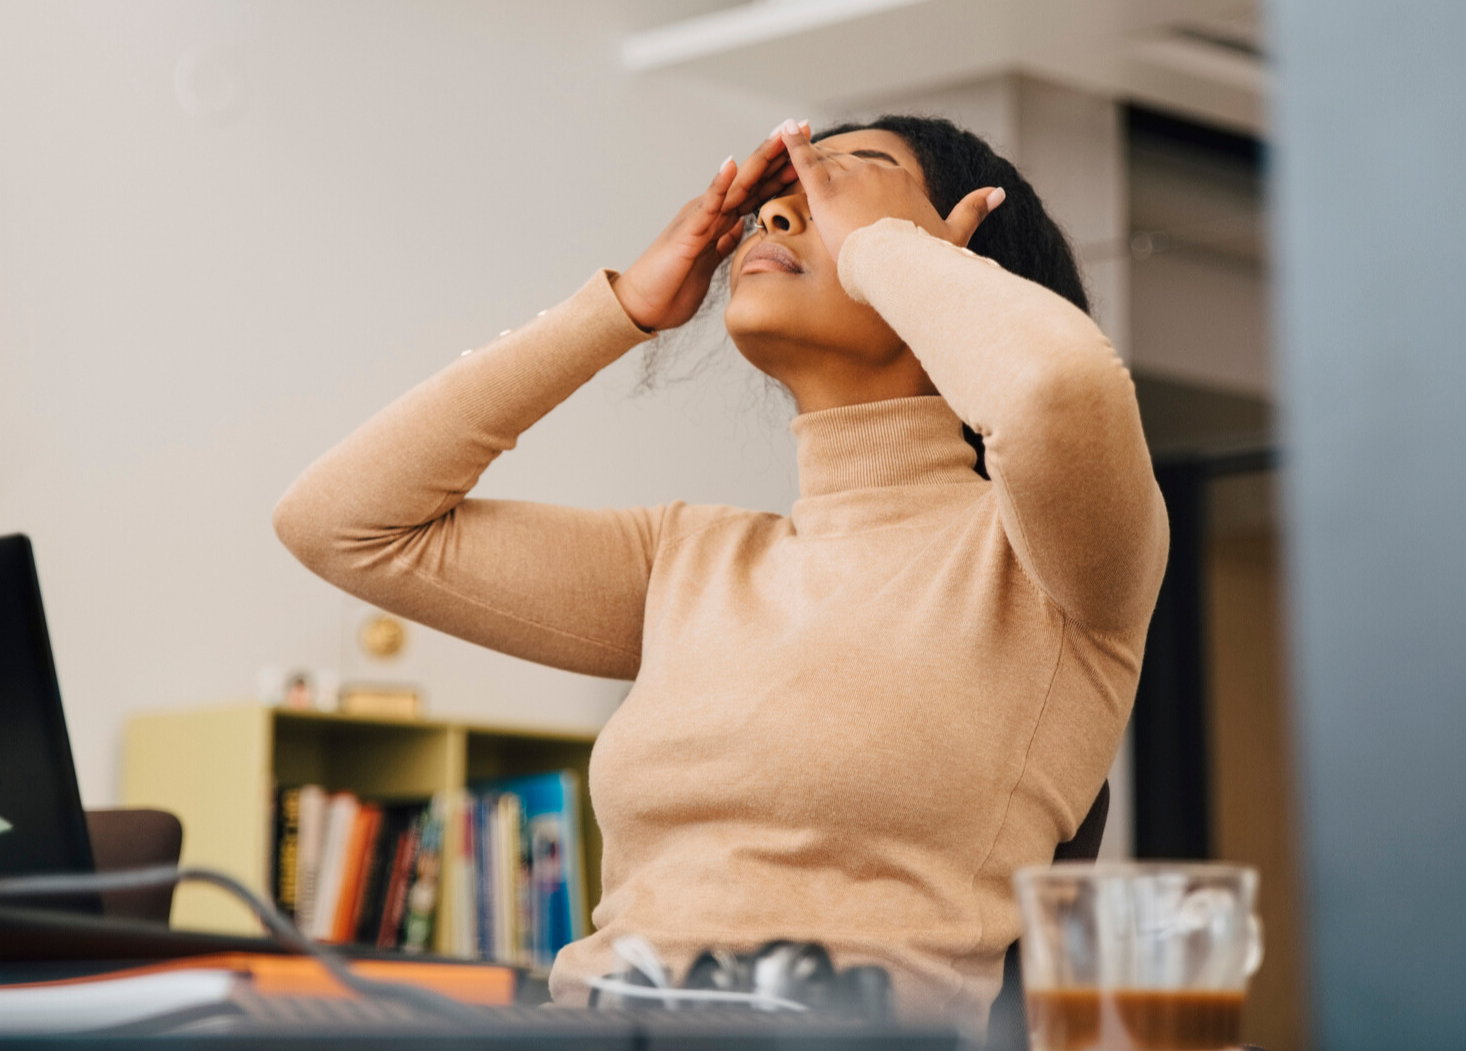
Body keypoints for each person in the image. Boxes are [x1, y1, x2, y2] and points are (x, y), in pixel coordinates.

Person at [273, 117, 1169, 1029]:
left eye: (841, 184)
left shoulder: (1048, 563)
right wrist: (616, 310)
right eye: (775, 195)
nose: (777, 211)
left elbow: (1058, 388)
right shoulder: (688, 558)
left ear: (955, 252)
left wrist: (885, 251)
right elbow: (342, 524)